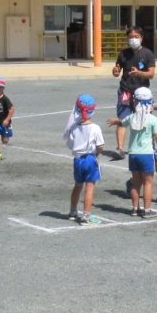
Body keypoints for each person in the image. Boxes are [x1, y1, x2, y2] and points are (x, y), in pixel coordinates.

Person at [108, 87, 157, 217]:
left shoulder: (132, 117)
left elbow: (122, 122)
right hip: (146, 155)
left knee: (136, 183)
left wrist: (114, 121)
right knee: (148, 183)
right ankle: (147, 209)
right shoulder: (153, 119)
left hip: (133, 154)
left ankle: (135, 208)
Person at [111, 26, 156, 160]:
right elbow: (117, 70)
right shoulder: (123, 54)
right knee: (122, 119)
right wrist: (115, 71)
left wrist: (139, 73)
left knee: (145, 119)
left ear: (141, 38)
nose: (133, 39)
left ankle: (146, 146)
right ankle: (120, 149)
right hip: (125, 90)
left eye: (136, 37)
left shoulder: (148, 54)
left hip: (142, 93)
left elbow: (151, 74)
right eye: (131, 37)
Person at [63, 94, 104, 225]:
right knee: (90, 187)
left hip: (77, 160)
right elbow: (100, 146)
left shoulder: (74, 127)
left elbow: (70, 144)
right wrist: (98, 153)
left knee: (78, 185)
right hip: (90, 159)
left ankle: (73, 211)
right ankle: (86, 215)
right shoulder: (95, 128)